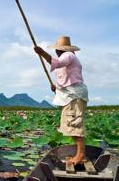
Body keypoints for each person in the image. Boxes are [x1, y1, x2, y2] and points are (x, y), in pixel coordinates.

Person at [34, 36, 89, 165]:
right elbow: (65, 80)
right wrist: (56, 87)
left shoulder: (69, 55)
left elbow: (58, 65)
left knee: (75, 124)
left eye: (57, 49)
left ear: (60, 49)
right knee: (70, 125)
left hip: (74, 95)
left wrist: (42, 53)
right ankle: (80, 155)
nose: (56, 52)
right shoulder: (65, 59)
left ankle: (81, 155)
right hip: (70, 95)